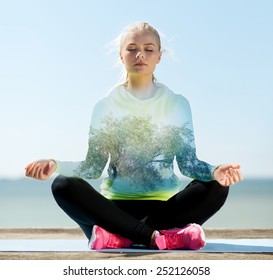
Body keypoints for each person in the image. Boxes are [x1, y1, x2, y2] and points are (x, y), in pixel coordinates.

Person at [25, 22, 243, 250]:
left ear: (159, 56)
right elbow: (93, 167)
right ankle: (160, 237)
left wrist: (215, 171)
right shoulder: (106, 107)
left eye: (149, 49)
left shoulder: (177, 105)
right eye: (132, 48)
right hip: (112, 212)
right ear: (121, 56)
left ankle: (124, 237)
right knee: (62, 185)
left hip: (166, 209)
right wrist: (55, 165)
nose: (140, 54)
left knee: (216, 186)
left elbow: (188, 164)